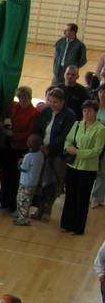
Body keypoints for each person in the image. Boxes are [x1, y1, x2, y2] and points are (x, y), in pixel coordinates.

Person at [60, 100, 105, 235]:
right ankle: (67, 224)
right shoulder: (77, 124)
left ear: (95, 112)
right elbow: (68, 140)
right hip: (72, 165)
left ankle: (78, 228)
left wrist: (78, 152)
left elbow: (97, 151)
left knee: (82, 198)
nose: (86, 113)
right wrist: (67, 148)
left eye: (89, 111)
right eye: (84, 111)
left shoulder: (100, 129)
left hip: (87, 169)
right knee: (70, 196)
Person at [35, 87, 77, 221]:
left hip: (58, 154)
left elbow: (65, 136)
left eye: (55, 102)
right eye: (50, 101)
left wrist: (49, 147)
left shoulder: (69, 115)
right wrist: (39, 144)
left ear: (62, 102)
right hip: (42, 150)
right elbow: (38, 128)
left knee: (53, 182)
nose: (52, 104)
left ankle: (47, 210)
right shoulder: (46, 111)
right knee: (40, 180)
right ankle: (39, 208)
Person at [0, 86, 39, 212]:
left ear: (29, 98)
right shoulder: (13, 106)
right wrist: (3, 126)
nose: (22, 100)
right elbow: (4, 117)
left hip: (20, 149)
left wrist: (13, 135)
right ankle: (3, 201)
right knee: (4, 174)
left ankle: (12, 204)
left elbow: (30, 133)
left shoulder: (34, 113)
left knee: (15, 177)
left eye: (24, 97)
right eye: (20, 97)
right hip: (7, 147)